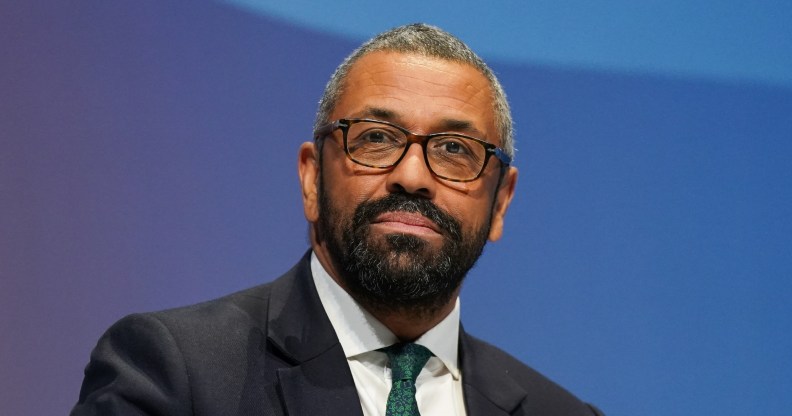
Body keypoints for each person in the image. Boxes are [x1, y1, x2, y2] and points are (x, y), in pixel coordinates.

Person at [71, 23, 604, 416]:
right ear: (311, 178)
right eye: (376, 138)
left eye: (454, 149)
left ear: (501, 203)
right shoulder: (175, 372)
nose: (413, 175)